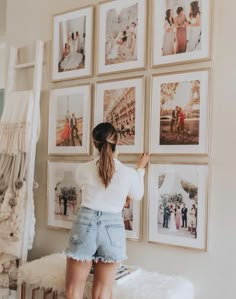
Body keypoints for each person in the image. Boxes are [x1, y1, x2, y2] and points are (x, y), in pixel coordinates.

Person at [65, 122, 149, 299]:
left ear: (94, 143)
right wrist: (140, 169)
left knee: (73, 291)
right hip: (113, 229)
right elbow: (138, 194)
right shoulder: (127, 173)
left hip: (85, 224)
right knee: (103, 294)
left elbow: (91, 184)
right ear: (116, 143)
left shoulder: (82, 170)